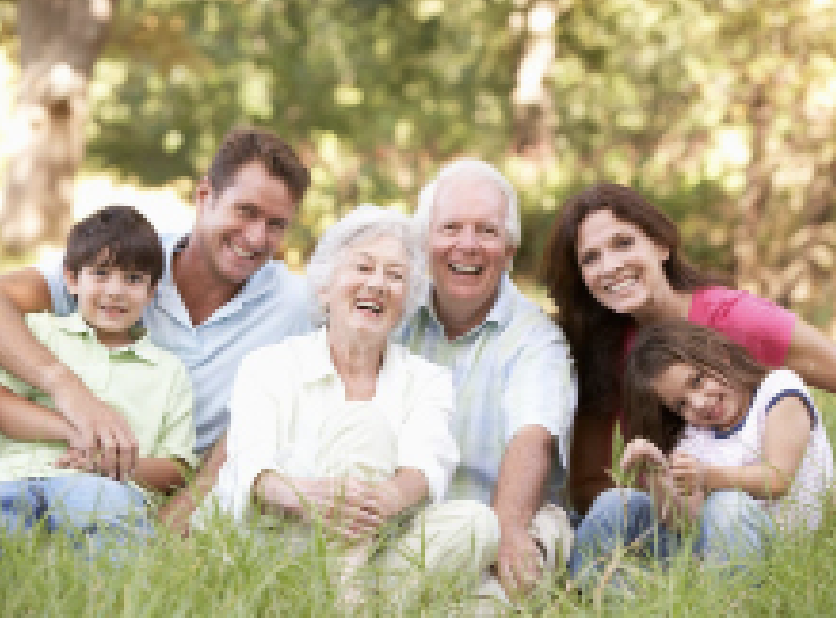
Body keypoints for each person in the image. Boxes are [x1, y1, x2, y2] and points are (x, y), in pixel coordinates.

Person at [0, 127, 312, 534]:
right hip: (38, 468)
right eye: (246, 211)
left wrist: (183, 509)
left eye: (276, 224)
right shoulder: (128, 259)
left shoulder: (298, 306)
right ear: (205, 197)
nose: (255, 238)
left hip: (150, 487)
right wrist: (69, 392)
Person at [210, 206, 496, 600]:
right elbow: (253, 471)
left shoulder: (427, 380)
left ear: (405, 303)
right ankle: (356, 602)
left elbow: (426, 468)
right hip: (282, 547)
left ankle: (347, 599)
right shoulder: (268, 366)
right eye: (362, 268)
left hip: (380, 549)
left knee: (478, 523)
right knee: (363, 427)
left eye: (394, 276)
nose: (377, 284)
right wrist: (312, 498)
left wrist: (376, 503)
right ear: (325, 288)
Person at [542, 183, 836, 519]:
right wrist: (660, 499)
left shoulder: (738, 320)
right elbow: (589, 486)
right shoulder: (601, 347)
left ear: (662, 245)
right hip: (679, 516)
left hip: (755, 513)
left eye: (623, 243)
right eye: (591, 258)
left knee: (730, 508)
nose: (610, 266)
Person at [400, 159, 577, 600]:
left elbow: (532, 436)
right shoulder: (393, 314)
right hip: (408, 526)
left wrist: (507, 530)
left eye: (487, 231)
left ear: (510, 250)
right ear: (424, 242)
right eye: (451, 228)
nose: (467, 245)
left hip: (504, 521)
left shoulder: (535, 338)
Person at [570, 321, 833, 585]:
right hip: (713, 551)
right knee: (615, 502)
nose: (698, 404)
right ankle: (595, 589)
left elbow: (778, 479)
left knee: (728, 505)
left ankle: (731, 601)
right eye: (681, 404)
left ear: (721, 354)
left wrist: (706, 476)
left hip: (780, 545)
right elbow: (682, 521)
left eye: (697, 381)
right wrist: (656, 475)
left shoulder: (779, 390)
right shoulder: (695, 435)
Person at [0, 205, 195, 555]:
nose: (115, 290)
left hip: (105, 488)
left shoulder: (167, 371)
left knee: (108, 534)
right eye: (101, 273)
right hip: (13, 478)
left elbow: (177, 469)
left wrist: (109, 463)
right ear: (71, 279)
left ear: (152, 292)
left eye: (134, 279)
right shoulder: (38, 332)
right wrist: (72, 431)